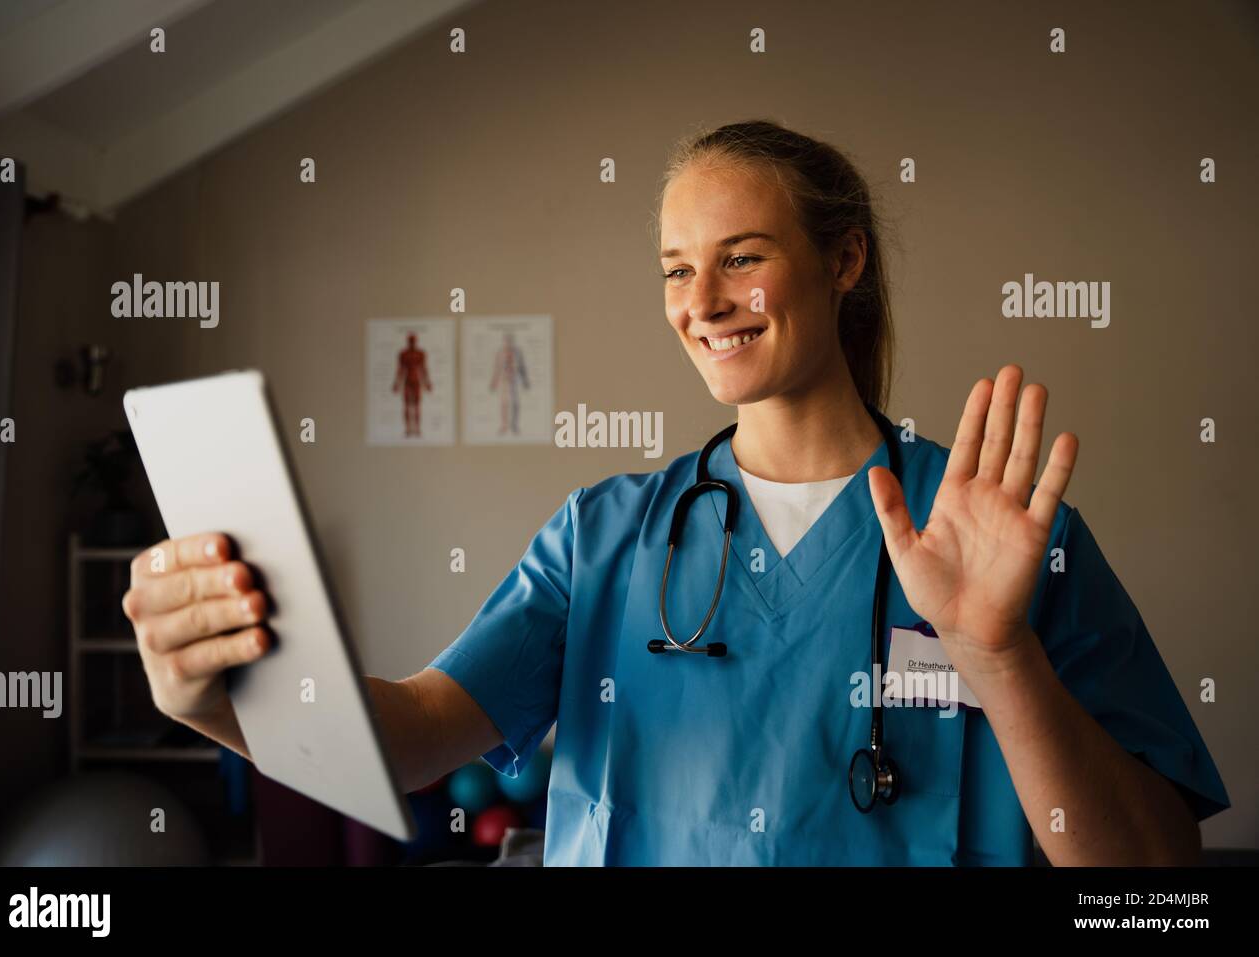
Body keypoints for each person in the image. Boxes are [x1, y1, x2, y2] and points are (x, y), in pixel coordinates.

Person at [122, 120, 1228, 866]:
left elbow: (1152, 883)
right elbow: (415, 733)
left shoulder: (998, 530)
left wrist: (998, 655)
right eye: (673, 267)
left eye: (741, 256)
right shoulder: (603, 540)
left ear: (842, 262)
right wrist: (216, 700)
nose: (702, 301)